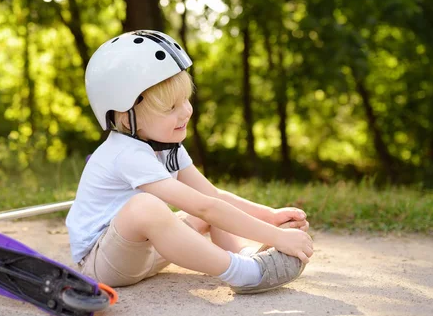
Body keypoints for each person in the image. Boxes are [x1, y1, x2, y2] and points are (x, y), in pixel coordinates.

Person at [66, 30, 313, 293]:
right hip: (105, 263)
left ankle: (244, 256)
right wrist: (277, 238)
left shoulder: (168, 147)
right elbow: (205, 206)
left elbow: (212, 196)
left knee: (207, 210)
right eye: (170, 107)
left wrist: (270, 217)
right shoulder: (126, 153)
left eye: (185, 99)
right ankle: (243, 273)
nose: (186, 111)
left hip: (148, 252)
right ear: (126, 118)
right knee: (145, 207)